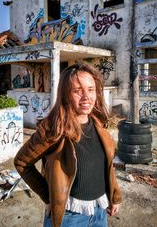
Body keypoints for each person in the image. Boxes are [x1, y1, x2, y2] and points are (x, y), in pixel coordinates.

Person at [14, 62, 122, 227]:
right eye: (78, 91)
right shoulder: (53, 129)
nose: (86, 97)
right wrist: (48, 197)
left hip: (100, 212)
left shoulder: (99, 124)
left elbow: (107, 166)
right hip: (69, 217)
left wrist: (114, 197)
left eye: (91, 89)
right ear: (65, 94)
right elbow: (22, 162)